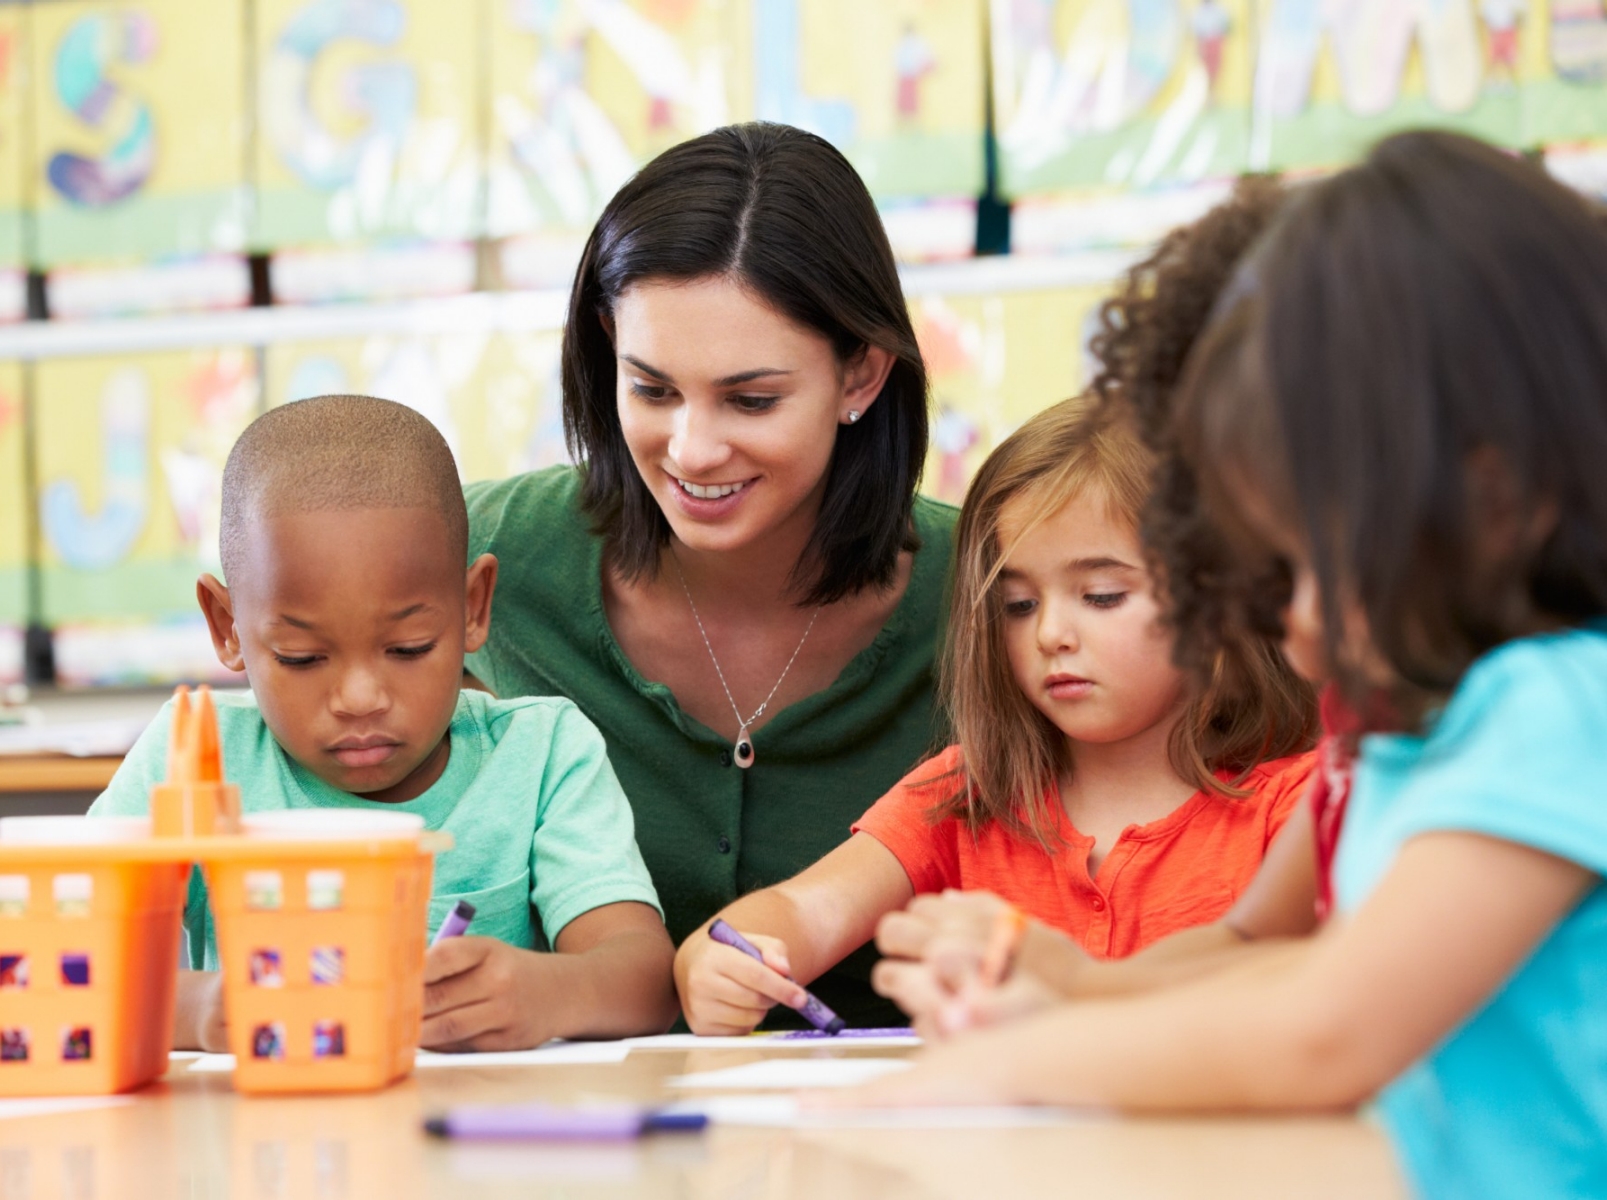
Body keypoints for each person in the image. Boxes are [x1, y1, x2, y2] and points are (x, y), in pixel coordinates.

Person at [833, 131, 1607, 1200]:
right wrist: (1068, 985)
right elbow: (1269, 952)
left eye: (1296, 568)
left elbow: (1325, 1027)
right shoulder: (1405, 730)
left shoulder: (1552, 709)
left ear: (1488, 500)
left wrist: (1014, 1066)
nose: (1282, 631)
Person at [462, 122, 955, 1027]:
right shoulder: (484, 553)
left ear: (862, 375)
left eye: (751, 399)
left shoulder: (995, 590)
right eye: (650, 389)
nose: (690, 448)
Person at [873, 177, 1360, 1034]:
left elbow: (1330, 1026)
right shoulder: (1369, 738)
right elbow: (1245, 942)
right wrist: (1060, 984)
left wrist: (1038, 1036)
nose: (1261, 607)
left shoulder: (1532, 722)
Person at [674, 396, 1315, 1035]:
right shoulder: (968, 793)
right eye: (1017, 604)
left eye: (1101, 596)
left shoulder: (1301, 805)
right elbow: (804, 912)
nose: (1052, 634)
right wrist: (719, 960)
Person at [91, 396, 676, 1052]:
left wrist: (549, 993)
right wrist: (197, 1009)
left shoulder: (541, 753)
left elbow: (647, 979)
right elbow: (59, 966)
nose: (360, 698)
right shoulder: (190, 758)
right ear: (227, 627)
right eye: (301, 658)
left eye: (408, 648)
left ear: (473, 608)